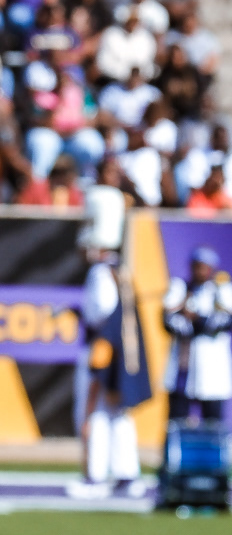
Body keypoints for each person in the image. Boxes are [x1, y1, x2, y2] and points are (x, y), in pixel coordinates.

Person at [73, 185, 153, 498]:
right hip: (120, 351)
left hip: (102, 350)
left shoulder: (100, 272)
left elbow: (103, 315)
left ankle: (94, 476)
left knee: (93, 411)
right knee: (118, 413)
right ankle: (126, 474)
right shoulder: (119, 269)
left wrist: (97, 349)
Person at [162, 246, 232, 424]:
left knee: (213, 422)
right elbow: (168, 320)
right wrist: (189, 321)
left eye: (204, 267)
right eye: (196, 266)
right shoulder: (181, 289)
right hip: (184, 365)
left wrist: (197, 319)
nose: (200, 271)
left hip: (212, 369)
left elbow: (221, 322)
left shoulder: (221, 291)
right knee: (177, 419)